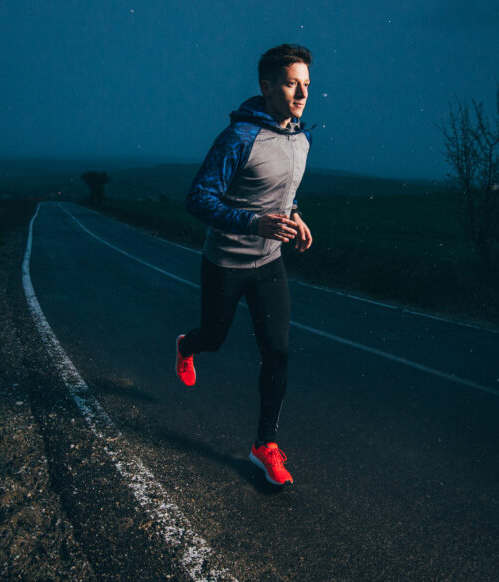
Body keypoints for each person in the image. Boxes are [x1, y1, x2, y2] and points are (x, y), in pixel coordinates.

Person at [175, 44, 314, 487]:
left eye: (306, 85)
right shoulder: (238, 137)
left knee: (278, 351)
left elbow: (285, 190)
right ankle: (187, 345)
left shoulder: (302, 138)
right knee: (213, 338)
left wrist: (294, 215)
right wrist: (254, 223)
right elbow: (198, 199)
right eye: (291, 84)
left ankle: (264, 445)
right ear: (267, 86)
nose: (301, 94)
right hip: (226, 263)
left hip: (269, 263)